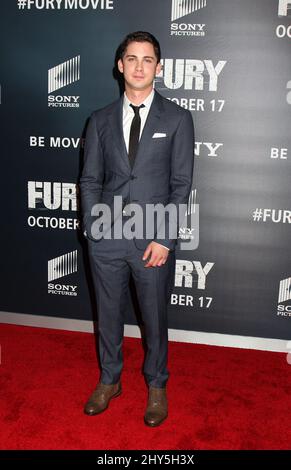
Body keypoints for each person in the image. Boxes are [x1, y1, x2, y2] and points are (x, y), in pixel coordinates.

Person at [79, 31, 194, 427]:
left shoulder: (178, 118)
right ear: (120, 65)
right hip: (106, 238)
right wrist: (95, 231)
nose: (139, 66)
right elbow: (90, 181)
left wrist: (165, 237)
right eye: (132, 58)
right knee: (107, 314)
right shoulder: (98, 120)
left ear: (158, 68)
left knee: (153, 318)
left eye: (147, 60)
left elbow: (181, 186)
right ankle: (109, 379)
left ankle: (157, 385)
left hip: (152, 240)